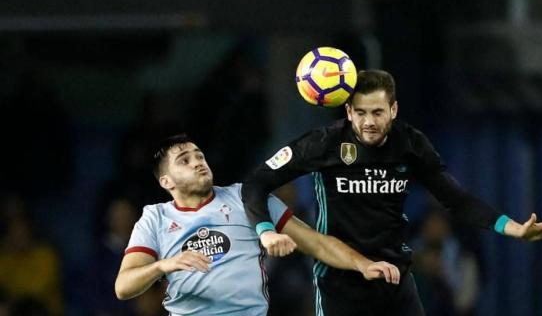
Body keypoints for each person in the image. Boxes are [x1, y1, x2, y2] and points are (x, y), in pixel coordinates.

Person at [241, 69, 542, 316]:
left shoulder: (411, 145)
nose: (368, 122)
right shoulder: (323, 144)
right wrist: (265, 230)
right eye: (360, 113)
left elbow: (455, 200)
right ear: (348, 112)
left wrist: (513, 228)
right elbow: (256, 184)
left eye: (377, 112)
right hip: (339, 283)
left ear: (394, 110)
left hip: (395, 280)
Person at [115, 134, 400, 316]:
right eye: (185, 160)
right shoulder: (155, 217)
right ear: (167, 182)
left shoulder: (247, 197)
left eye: (199, 155)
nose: (198, 162)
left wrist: (363, 264)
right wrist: (163, 266)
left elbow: (316, 242)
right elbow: (124, 287)